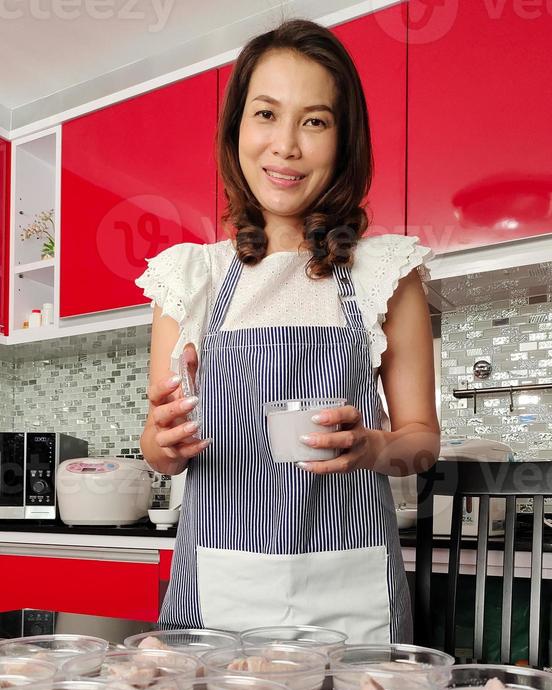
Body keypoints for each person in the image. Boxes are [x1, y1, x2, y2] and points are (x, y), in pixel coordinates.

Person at [136, 18, 440, 643]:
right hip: (218, 599)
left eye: (315, 121)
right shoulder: (188, 278)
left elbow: (422, 442)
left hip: (350, 602)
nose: (286, 146)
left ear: (343, 138)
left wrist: (374, 449)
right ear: (237, 128)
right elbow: (157, 450)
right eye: (266, 114)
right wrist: (163, 444)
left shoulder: (386, 272)